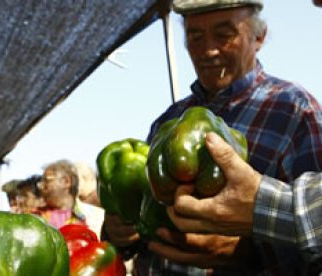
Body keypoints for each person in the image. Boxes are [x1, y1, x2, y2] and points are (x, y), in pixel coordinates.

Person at [102, 0, 322, 275]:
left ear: (259, 36)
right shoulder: (170, 118)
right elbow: (145, 215)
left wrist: (249, 254)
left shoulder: (294, 109)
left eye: (224, 34)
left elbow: (315, 241)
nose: (208, 50)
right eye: (195, 36)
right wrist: (119, 232)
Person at [149, 132, 322, 274]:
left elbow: (311, 258)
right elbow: (149, 203)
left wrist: (247, 249)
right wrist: (129, 229)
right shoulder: (167, 119)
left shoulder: (299, 112)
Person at [36, 159, 86, 229]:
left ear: (66, 181)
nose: (41, 186)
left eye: (47, 180)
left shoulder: (93, 216)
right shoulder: (36, 216)